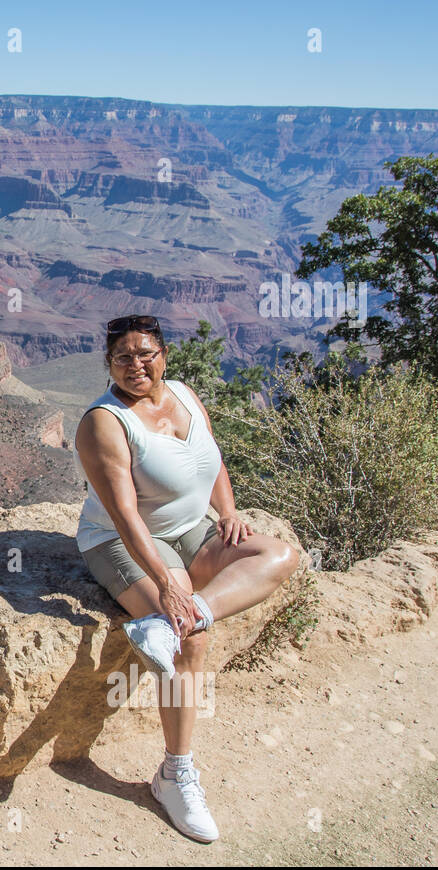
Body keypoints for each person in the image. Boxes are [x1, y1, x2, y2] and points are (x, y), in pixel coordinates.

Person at [74, 314, 299, 842]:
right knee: (189, 644)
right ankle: (174, 776)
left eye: (146, 353)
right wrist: (167, 581)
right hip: (120, 544)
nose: (137, 365)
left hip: (192, 532)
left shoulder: (184, 394)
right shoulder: (104, 422)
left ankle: (193, 611)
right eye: (123, 357)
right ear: (109, 364)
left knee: (281, 555)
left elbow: (211, 455)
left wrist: (228, 511)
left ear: (164, 357)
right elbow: (127, 517)